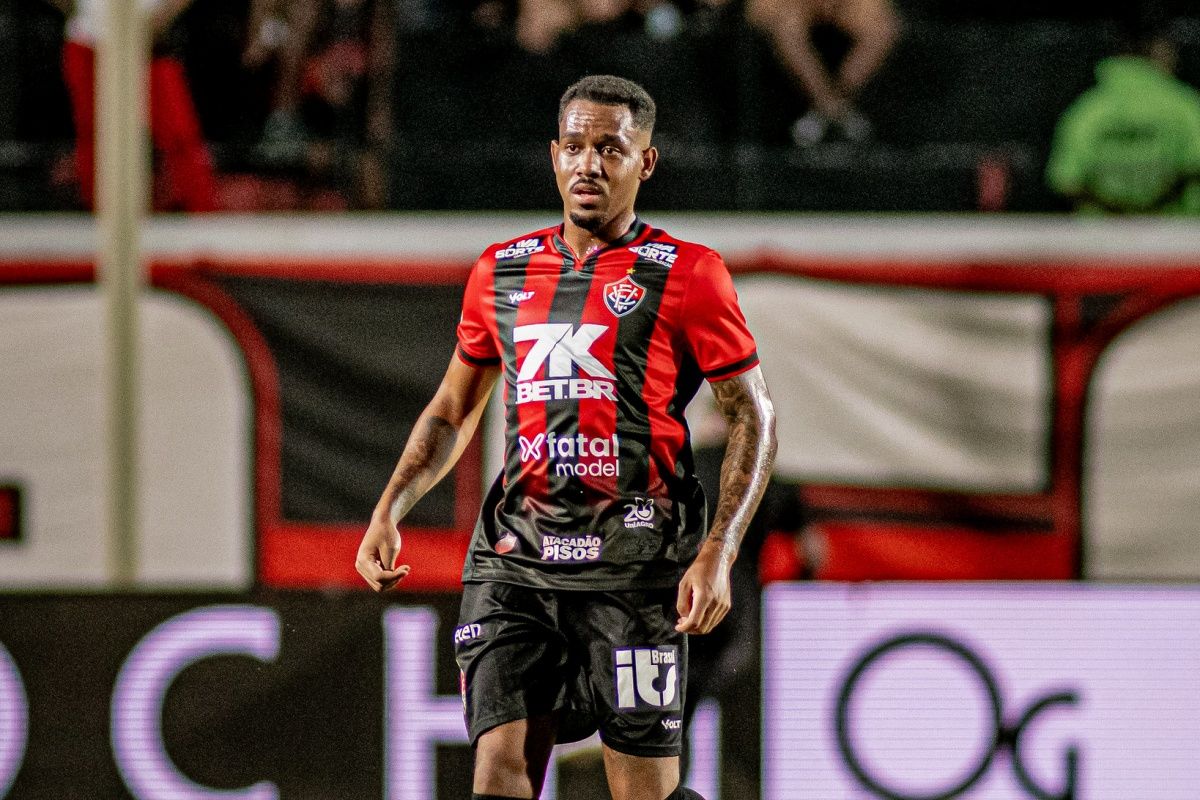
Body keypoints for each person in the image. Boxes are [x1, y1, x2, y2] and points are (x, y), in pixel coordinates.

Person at [356, 74, 777, 800]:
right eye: (575, 147)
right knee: (497, 777)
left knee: (641, 791)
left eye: (610, 149)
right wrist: (389, 507)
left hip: (636, 565)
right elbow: (452, 409)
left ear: (645, 162)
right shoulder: (501, 271)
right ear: (554, 155)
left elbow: (753, 417)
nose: (589, 164)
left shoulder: (689, 274)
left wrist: (719, 550)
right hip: (515, 560)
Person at [55, 0, 218, 211]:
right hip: (91, 42)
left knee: (179, 137)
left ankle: (202, 218)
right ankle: (102, 219)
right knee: (95, 138)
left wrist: (164, 16)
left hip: (147, 44)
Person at [1045, 24, 1200, 215]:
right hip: (1176, 236)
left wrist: (1118, 214)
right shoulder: (1187, 106)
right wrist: (1150, 210)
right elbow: (1194, 169)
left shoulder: (1086, 110)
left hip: (1099, 238)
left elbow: (1066, 181)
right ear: (1158, 51)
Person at [747, 0, 899, 145]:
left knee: (882, 29)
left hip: (848, 6)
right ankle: (832, 109)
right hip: (791, 6)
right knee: (787, 28)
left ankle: (828, 111)